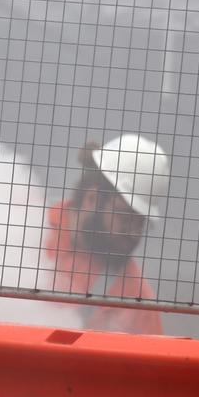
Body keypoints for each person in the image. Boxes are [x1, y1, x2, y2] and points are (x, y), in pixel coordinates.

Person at [44, 134, 170, 335]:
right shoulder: (28, 227)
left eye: (141, 223)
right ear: (92, 199)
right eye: (125, 217)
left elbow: (151, 365)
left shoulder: (134, 296)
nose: (133, 232)